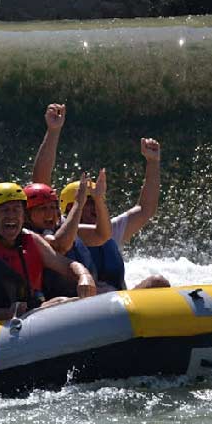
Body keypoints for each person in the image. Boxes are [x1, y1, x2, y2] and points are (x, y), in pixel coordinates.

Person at [33, 103, 170, 289]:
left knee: (157, 282)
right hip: (77, 306)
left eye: (96, 200)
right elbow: (40, 186)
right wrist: (53, 131)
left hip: (117, 304)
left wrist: (153, 163)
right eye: (86, 202)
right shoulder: (53, 235)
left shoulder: (108, 230)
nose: (93, 207)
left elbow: (146, 209)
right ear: (66, 209)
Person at [0, 183, 96, 323]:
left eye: (16, 210)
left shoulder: (30, 239)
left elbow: (67, 265)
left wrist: (84, 276)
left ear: (24, 215)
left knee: (66, 302)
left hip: (28, 317)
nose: (11, 215)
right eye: (5, 210)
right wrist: (9, 313)